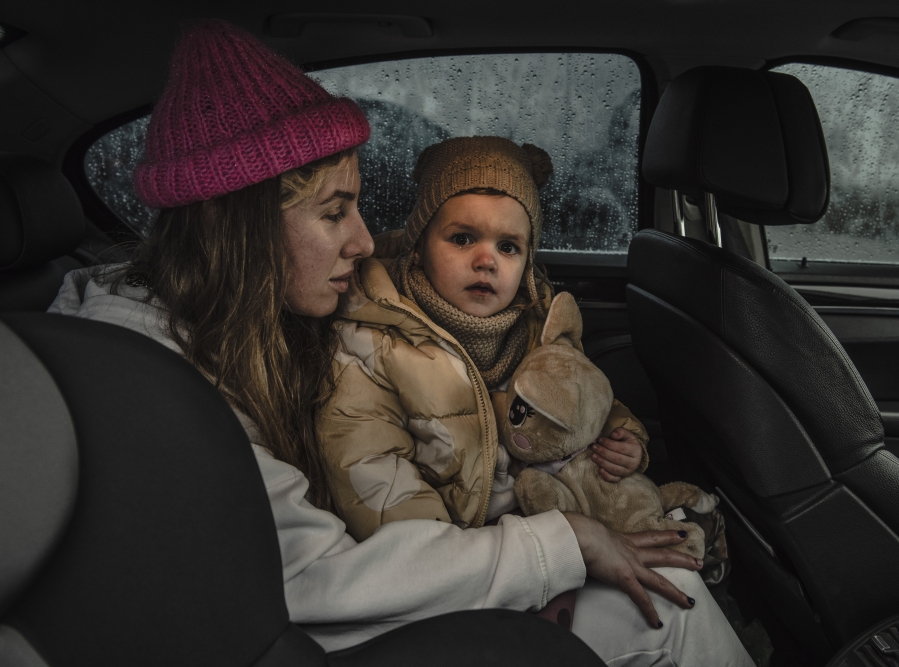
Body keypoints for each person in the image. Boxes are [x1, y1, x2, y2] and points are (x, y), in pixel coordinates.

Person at [48, 20, 752, 666]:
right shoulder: (150, 388)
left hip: (372, 590)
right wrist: (563, 546)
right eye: (335, 211)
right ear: (239, 226)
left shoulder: (233, 323)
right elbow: (306, 582)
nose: (361, 240)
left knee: (662, 594)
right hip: (319, 634)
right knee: (667, 613)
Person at [317, 136, 654, 542]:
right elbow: (384, 492)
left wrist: (625, 440)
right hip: (461, 554)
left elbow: (584, 399)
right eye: (462, 238)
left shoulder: (538, 328)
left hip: (553, 519)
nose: (486, 260)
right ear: (419, 247)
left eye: (508, 246)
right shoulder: (370, 342)